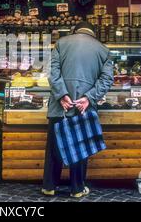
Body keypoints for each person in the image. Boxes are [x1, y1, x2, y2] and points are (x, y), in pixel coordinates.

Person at [42, 21, 114, 198]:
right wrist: (89, 97)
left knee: (54, 147)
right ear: (93, 33)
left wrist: (62, 95)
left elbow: (52, 72)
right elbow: (106, 80)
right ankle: (77, 189)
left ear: (75, 31)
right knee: (80, 148)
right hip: (84, 108)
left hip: (61, 106)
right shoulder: (104, 50)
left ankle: (49, 186)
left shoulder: (61, 43)